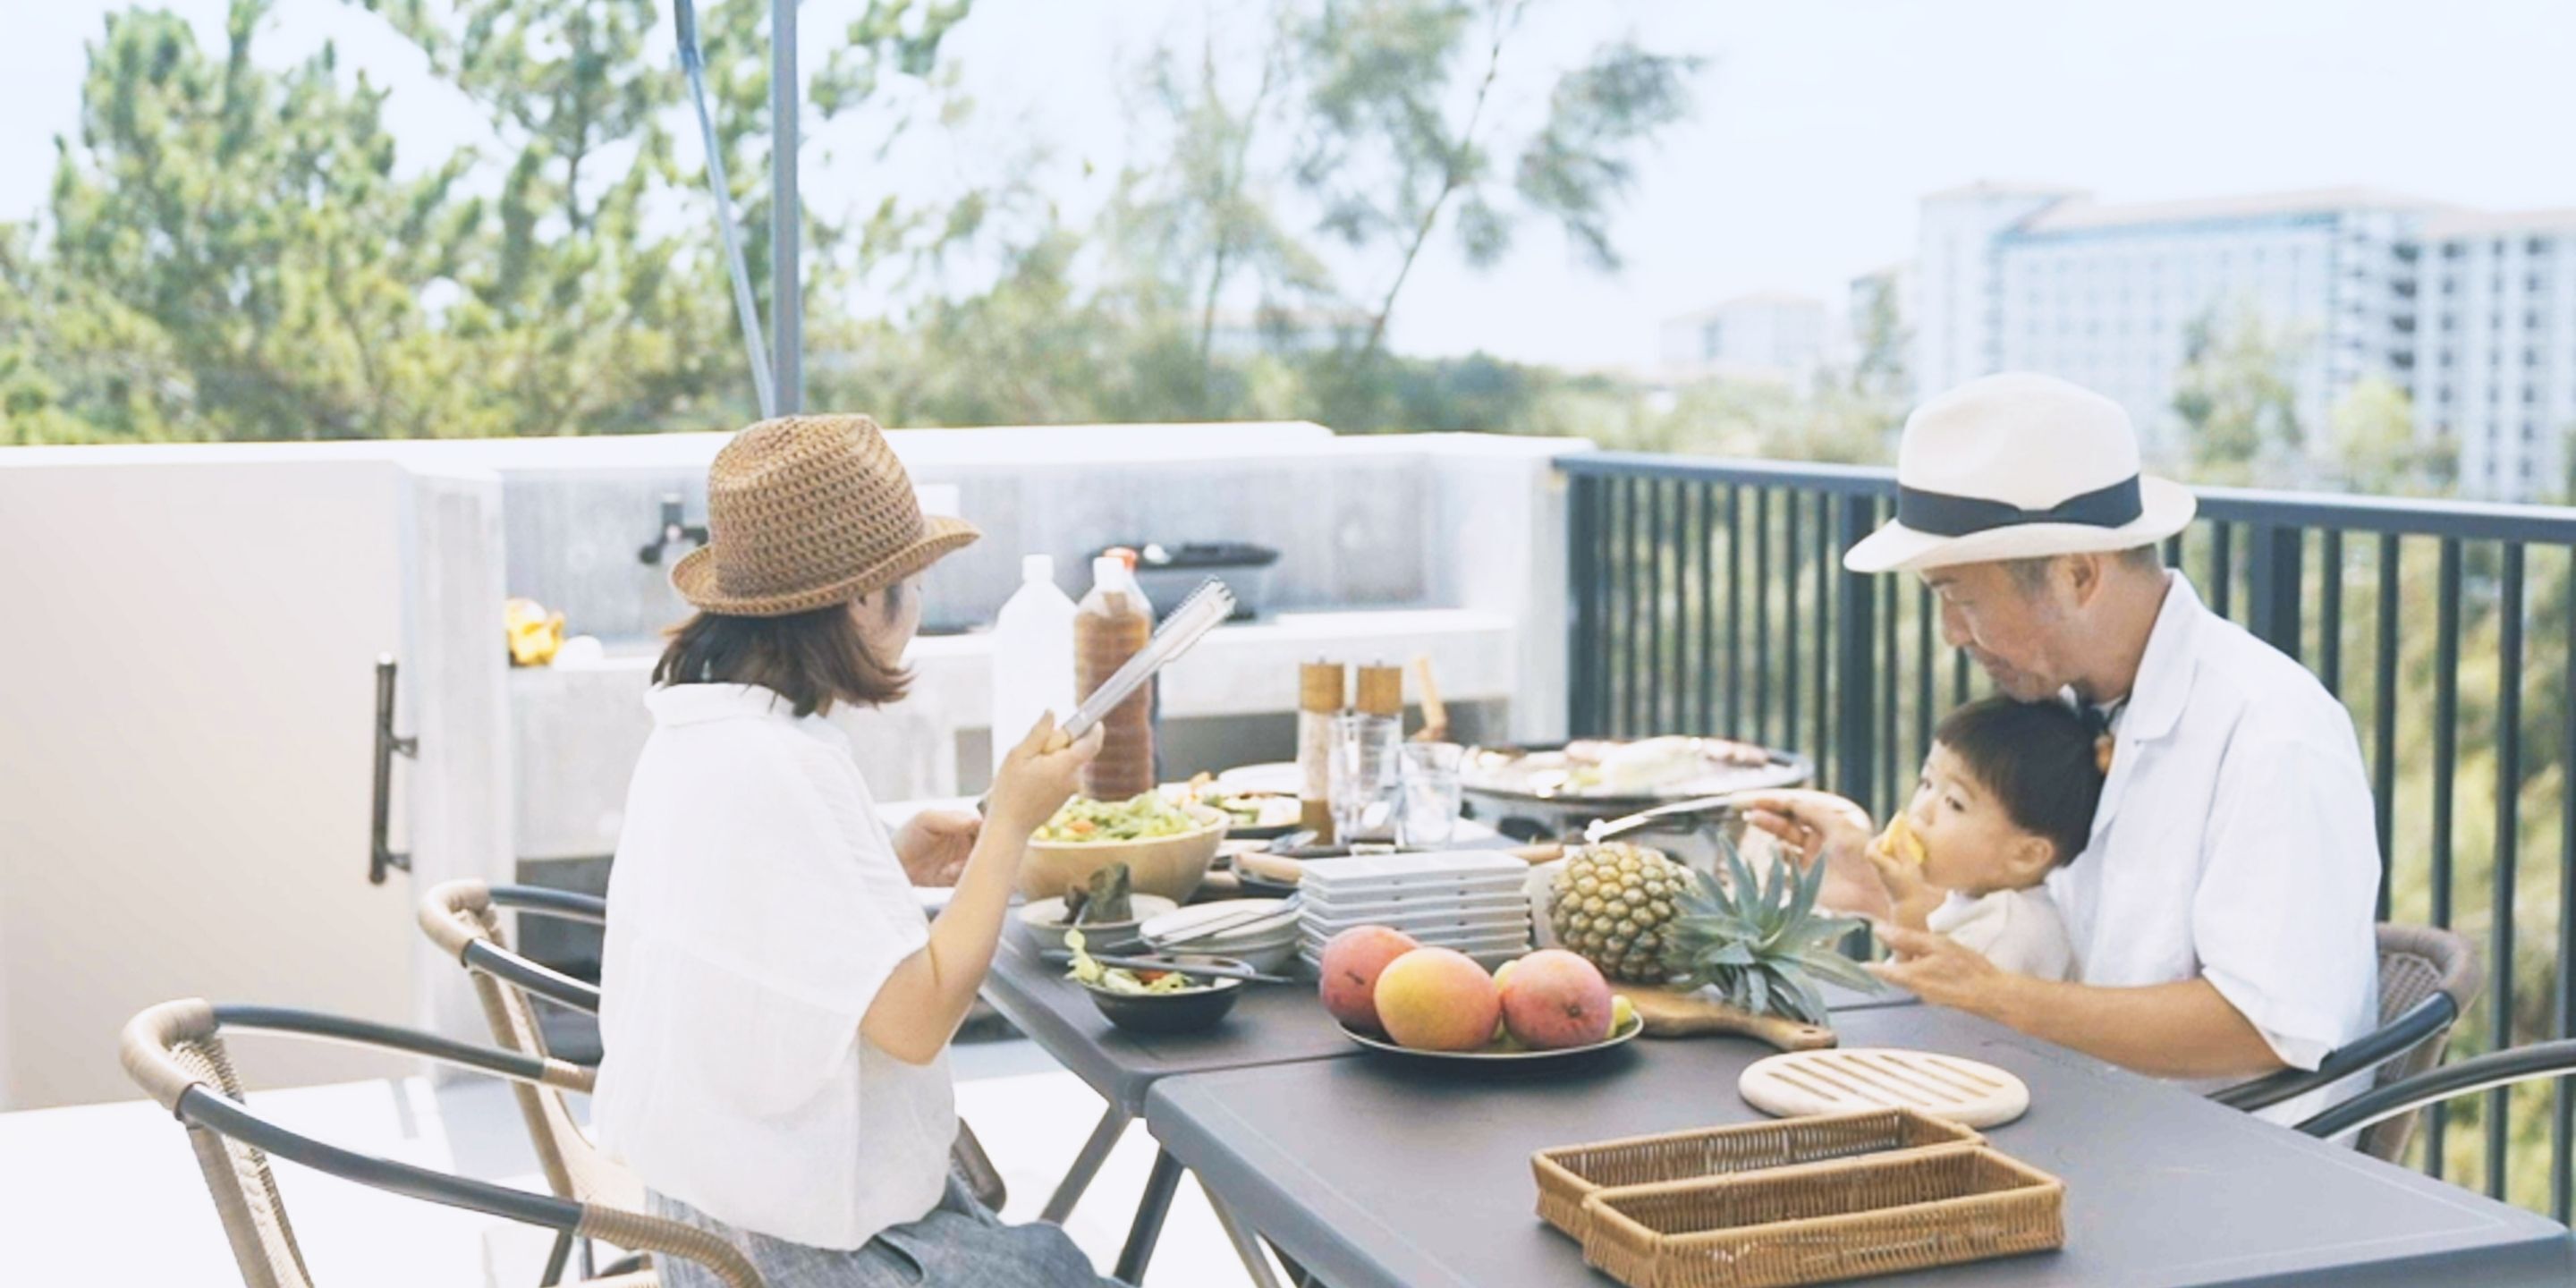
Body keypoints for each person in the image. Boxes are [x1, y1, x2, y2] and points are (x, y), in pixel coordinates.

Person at [1741, 372, 2380, 1124]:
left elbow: (2267, 1026)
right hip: (2068, 1112)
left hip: (2209, 1159)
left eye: (1961, 598)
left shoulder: (2273, 732)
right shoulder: (2074, 705)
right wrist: (1882, 884)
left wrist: (2002, 1002)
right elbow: (2062, 944)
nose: (1951, 633)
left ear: (2078, 575)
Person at [591, 413, 1124, 1286]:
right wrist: (1011, 827)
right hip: (808, 1258)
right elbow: (916, 1021)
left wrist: (884, 865)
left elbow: (754, 921)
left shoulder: (693, 733)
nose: (917, 605)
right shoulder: (784, 764)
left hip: (704, 1230)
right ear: (861, 601)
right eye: (910, 581)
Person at [1778, 696, 2103, 982]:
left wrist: (1906, 904)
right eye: (1927, 783)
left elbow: (1925, 1003)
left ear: (2026, 855)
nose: (1922, 810)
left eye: (1955, 803)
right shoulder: (1977, 900)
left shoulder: (2010, 929)